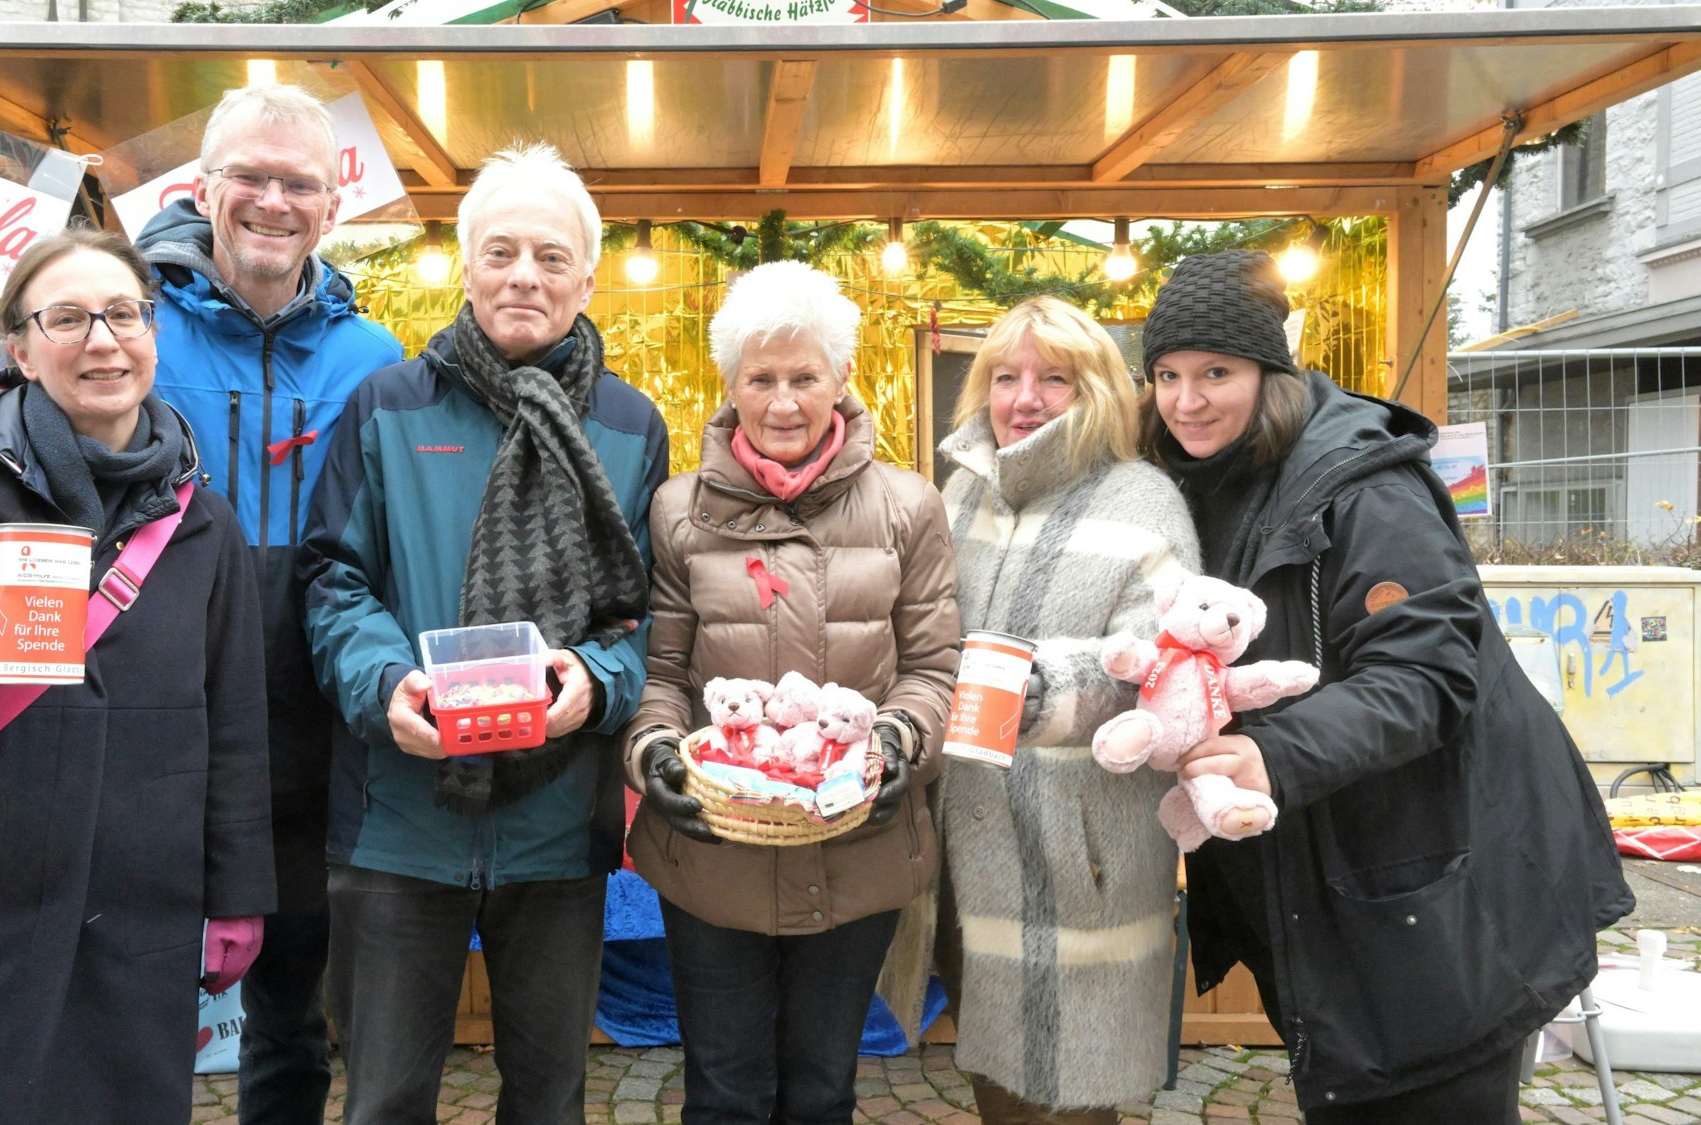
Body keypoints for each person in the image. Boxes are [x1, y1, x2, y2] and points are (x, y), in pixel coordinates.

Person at [0, 85, 402, 1124]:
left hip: (296, 729)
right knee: (53, 1026)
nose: (271, 199)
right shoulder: (106, 304)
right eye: (248, 176)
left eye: (297, 181)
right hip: (86, 737)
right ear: (202, 188)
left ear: (333, 201)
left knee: (291, 1017)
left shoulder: (374, 360)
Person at [1141, 250, 1633, 1123]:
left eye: (1216, 371)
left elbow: (1427, 674)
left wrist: (1274, 751)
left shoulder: (1363, 489)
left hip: (1448, 883)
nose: (1188, 400)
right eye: (1169, 375)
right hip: (1354, 884)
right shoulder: (1207, 482)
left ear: (1271, 372)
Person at [0, 225, 273, 1124]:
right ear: (21, 350)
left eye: (123, 313)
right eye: (68, 317)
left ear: (153, 334)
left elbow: (234, 725)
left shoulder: (202, 523)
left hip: (134, 914)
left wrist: (237, 896)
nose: (103, 339)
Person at [299, 141, 668, 1125]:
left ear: (588, 278)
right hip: (397, 818)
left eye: (551, 257)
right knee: (382, 1099)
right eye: (500, 251)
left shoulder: (631, 426)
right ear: (465, 266)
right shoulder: (386, 407)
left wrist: (594, 680)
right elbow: (331, 583)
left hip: (554, 824)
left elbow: (646, 616)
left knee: (547, 1099)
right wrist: (386, 687)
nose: (523, 275)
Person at [622, 260, 959, 1125]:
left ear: (841, 378)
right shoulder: (678, 512)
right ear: (729, 385)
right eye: (760, 379)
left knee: (821, 1088)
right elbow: (660, 674)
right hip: (714, 855)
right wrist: (653, 752)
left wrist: (898, 746)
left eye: (804, 377)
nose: (782, 402)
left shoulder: (907, 508)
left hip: (860, 847)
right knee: (725, 1090)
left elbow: (932, 669)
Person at [893, 296, 1199, 1124]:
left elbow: (1161, 674)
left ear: (1095, 387)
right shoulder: (958, 494)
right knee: (993, 1064)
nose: (1024, 396)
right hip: (967, 842)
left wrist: (1031, 690)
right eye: (1006, 376)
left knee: (1073, 1086)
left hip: (1080, 847)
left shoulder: (1145, 501)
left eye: (1053, 378)